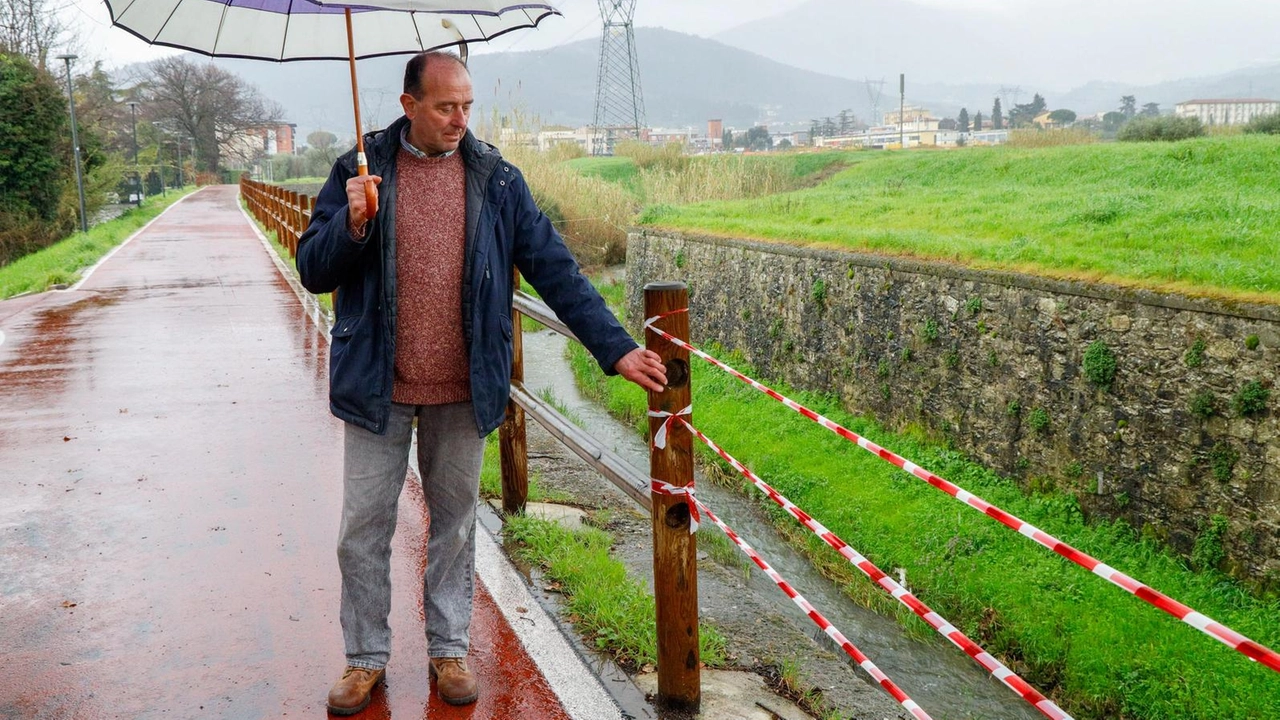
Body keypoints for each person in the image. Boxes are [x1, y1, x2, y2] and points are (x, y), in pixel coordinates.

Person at [296, 50, 667, 715]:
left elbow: (556, 269)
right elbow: (314, 270)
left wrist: (615, 350)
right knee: (363, 527)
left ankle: (448, 648)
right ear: (409, 105)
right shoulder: (359, 168)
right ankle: (364, 659)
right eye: (445, 107)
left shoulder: (497, 179)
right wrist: (354, 223)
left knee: (457, 524)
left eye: (467, 105)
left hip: (463, 388)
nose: (460, 119)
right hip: (378, 384)